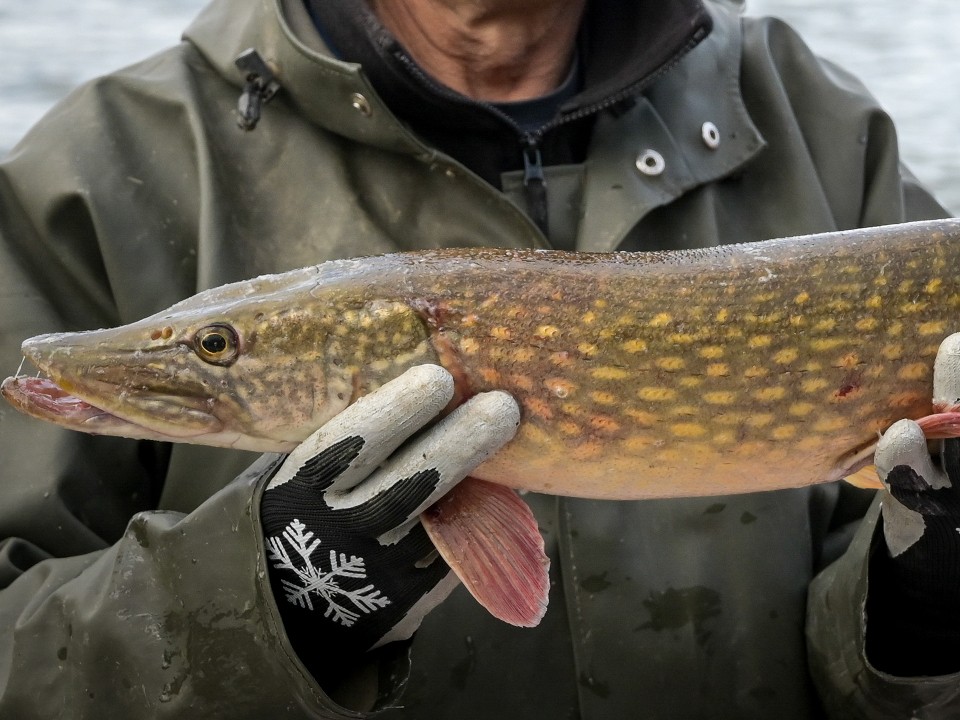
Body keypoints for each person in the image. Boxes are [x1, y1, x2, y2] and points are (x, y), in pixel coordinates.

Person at [0, 0, 957, 717]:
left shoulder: (822, 130)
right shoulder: (95, 172)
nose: (203, 360)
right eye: (222, 348)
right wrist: (265, 601)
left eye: (214, 350)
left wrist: (925, 609)